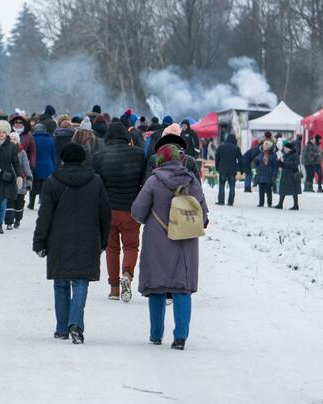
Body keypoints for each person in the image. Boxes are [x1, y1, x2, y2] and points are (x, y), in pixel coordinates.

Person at [131, 143, 208, 350]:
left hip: (157, 240)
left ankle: (156, 334)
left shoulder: (153, 182)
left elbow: (138, 212)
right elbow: (203, 214)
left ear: (160, 160)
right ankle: (181, 336)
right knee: (182, 288)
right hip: (185, 240)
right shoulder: (192, 181)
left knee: (156, 287)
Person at [33, 143, 111, 344]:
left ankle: (61, 328)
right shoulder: (95, 181)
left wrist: (39, 241)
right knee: (81, 281)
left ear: (63, 159)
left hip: (59, 239)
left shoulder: (52, 182)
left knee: (61, 283)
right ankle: (75, 324)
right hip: (88, 237)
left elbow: (45, 216)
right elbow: (105, 214)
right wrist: (103, 240)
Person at [92, 122, 146, 302]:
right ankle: (127, 275)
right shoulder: (138, 154)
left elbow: (96, 183)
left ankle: (114, 288)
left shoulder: (100, 156)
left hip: (108, 210)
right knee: (131, 246)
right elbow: (144, 181)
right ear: (126, 137)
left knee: (112, 249)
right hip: (131, 210)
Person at [6, 132, 33, 230]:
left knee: (19, 203)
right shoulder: (5, 151)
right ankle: (9, 222)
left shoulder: (22, 152)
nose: (12, 141)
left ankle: (17, 219)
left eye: (14, 139)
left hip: (20, 181)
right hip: (8, 180)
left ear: (17, 141)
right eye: (10, 139)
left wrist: (29, 180)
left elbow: (26, 166)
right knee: (9, 203)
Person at [29, 123, 55, 210]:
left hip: (35, 165)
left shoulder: (32, 139)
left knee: (33, 184)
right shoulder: (50, 139)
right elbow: (53, 154)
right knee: (45, 185)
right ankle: (43, 202)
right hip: (47, 166)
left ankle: (31, 204)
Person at [214, 133, 241, 206]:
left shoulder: (221, 147)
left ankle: (221, 201)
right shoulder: (236, 148)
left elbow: (217, 158)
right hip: (232, 170)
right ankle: (230, 202)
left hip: (222, 169)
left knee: (222, 186)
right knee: (232, 186)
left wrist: (217, 167)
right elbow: (240, 160)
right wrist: (240, 169)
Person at [275, 142, 301, 210]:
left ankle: (296, 205)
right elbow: (283, 164)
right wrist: (279, 162)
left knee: (294, 191)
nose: (285, 149)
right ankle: (280, 204)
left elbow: (294, 164)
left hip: (292, 175)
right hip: (285, 175)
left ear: (290, 149)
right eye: (284, 148)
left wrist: (284, 163)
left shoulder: (295, 155)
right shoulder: (284, 155)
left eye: (286, 148)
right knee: (282, 190)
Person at [253, 142, 278, 207]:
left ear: (269, 147)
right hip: (261, 175)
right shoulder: (260, 154)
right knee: (261, 190)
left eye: (266, 146)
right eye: (264, 145)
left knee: (269, 190)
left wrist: (274, 175)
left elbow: (275, 166)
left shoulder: (273, 155)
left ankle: (269, 203)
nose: (264, 147)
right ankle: (261, 203)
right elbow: (255, 164)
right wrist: (256, 161)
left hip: (269, 175)